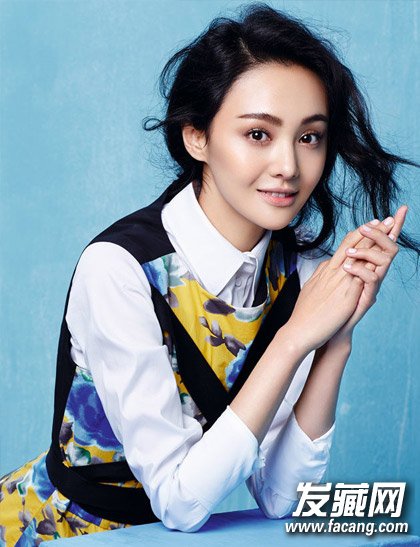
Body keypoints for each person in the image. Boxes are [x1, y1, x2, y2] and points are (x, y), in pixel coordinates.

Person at [1, 3, 418, 544]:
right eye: (258, 134)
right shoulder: (121, 269)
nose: (289, 167)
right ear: (196, 136)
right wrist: (295, 338)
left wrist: (336, 337)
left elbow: (282, 500)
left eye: (309, 137)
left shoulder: (303, 278)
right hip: (51, 532)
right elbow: (179, 501)